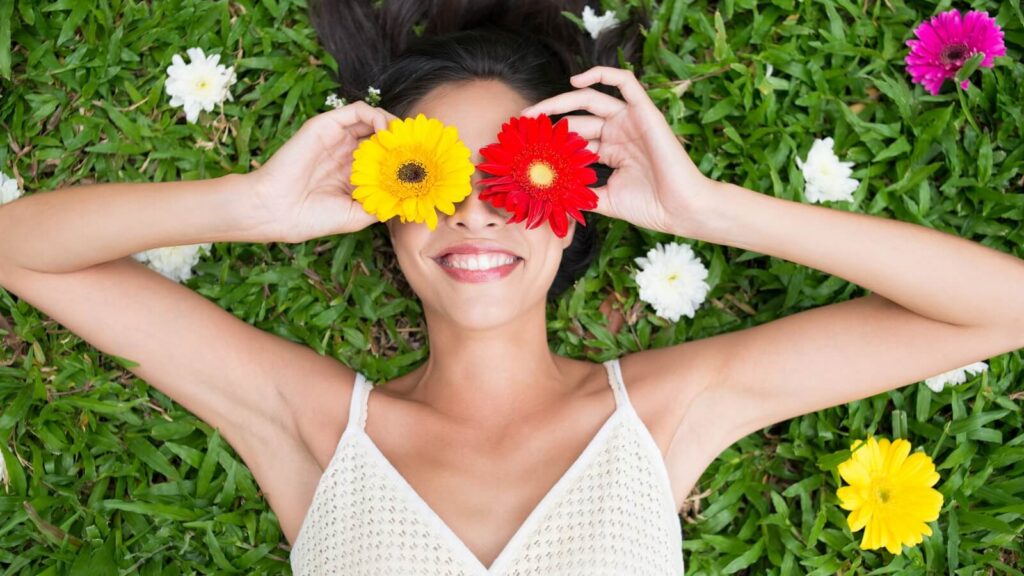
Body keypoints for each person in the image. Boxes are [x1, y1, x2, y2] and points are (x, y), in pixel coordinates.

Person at [1, 0, 1022, 574]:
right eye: (435, 173)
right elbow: (20, 249)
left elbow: (1003, 307)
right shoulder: (314, 426)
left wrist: (711, 210)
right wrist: (248, 205)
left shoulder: (661, 414)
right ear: (383, 205)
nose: (476, 210)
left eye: (512, 173)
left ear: (573, 204)